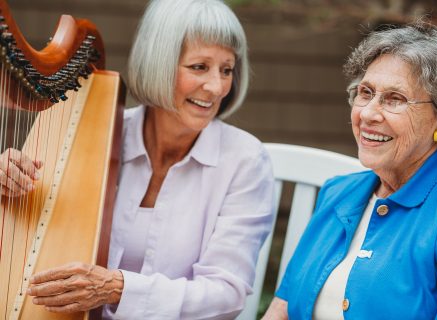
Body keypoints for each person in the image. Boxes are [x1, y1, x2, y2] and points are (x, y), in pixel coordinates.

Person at [6, 0, 275, 318]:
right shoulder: (96, 132)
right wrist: (10, 186)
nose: (217, 87)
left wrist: (117, 288)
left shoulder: (245, 160)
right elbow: (21, 247)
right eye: (199, 67)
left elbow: (224, 295)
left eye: (226, 70)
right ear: (157, 64)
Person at [263, 22, 437, 320]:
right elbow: (283, 308)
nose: (367, 113)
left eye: (395, 99)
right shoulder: (338, 193)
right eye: (365, 93)